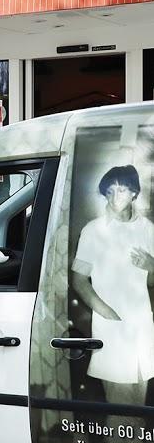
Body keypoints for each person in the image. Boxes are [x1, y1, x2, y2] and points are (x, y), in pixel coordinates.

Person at [71, 164, 154, 404]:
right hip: (113, 329)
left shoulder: (148, 230)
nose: (114, 196)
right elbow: (79, 280)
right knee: (119, 406)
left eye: (121, 190)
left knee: (139, 403)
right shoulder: (93, 231)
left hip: (141, 327)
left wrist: (152, 264)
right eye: (109, 191)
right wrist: (106, 312)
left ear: (134, 194)